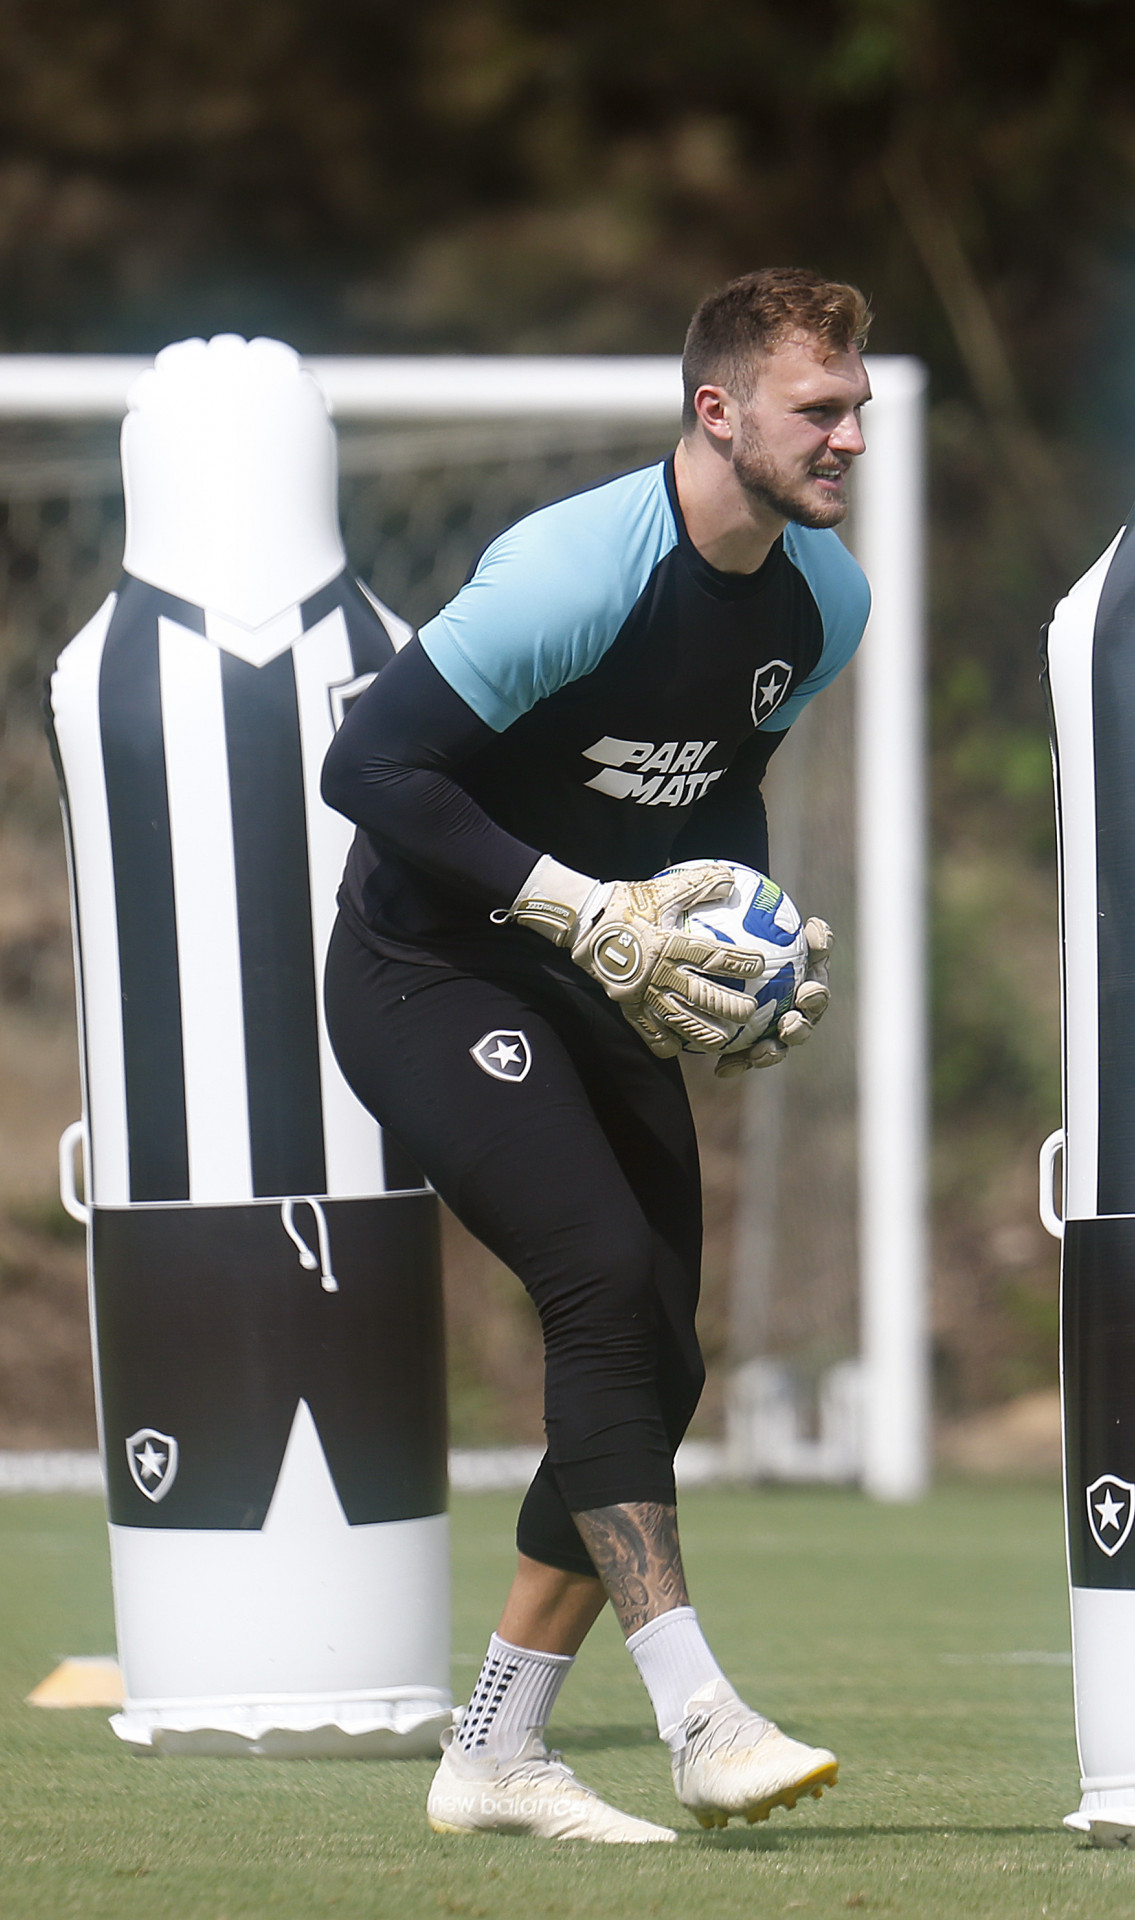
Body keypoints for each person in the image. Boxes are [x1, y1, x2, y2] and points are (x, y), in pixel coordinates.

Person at [321, 267, 872, 1842]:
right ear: (718, 413)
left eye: (856, 403)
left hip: (600, 972)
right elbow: (367, 762)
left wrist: (735, 939)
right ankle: (699, 1712)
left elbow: (716, 785)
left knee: (664, 1351)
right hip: (427, 964)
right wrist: (578, 905)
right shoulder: (576, 568)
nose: (850, 433)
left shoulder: (828, 599)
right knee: (597, 1281)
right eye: (817, 408)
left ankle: (495, 1751)